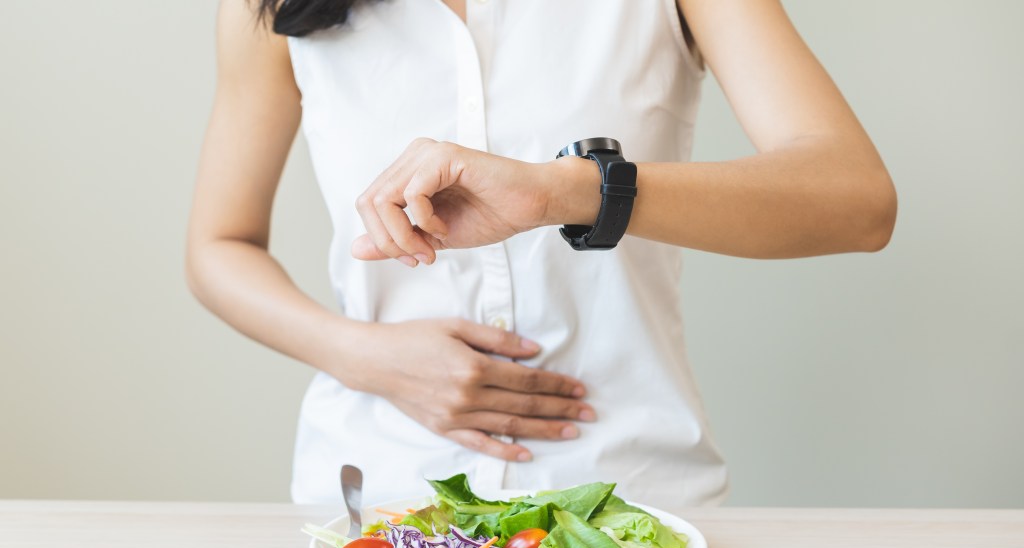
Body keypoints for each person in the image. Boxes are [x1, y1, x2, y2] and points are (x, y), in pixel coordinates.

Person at [186, 0, 896, 511]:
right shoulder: (266, 10)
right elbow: (218, 246)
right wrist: (362, 355)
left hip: (630, 501)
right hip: (376, 499)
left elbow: (854, 198)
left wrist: (566, 192)